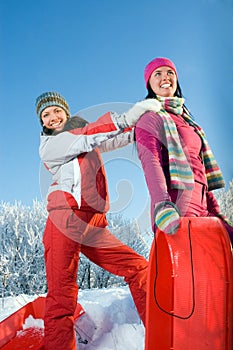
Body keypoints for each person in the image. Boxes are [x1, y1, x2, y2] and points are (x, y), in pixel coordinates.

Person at [35, 91, 161, 350]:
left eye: (56, 111)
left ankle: (161, 330)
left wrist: (143, 127)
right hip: (65, 222)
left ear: (66, 112)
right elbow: (89, 135)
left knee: (139, 268)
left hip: (93, 225)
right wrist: (127, 116)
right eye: (45, 115)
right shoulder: (51, 146)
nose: (52, 117)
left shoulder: (85, 138)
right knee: (62, 296)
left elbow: (112, 139)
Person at [135, 57, 233, 243]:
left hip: (203, 205)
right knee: (193, 268)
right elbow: (151, 163)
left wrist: (215, 211)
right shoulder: (150, 118)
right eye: (158, 74)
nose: (165, 77)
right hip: (177, 205)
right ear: (149, 83)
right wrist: (163, 206)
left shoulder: (188, 122)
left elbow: (200, 170)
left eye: (170, 72)